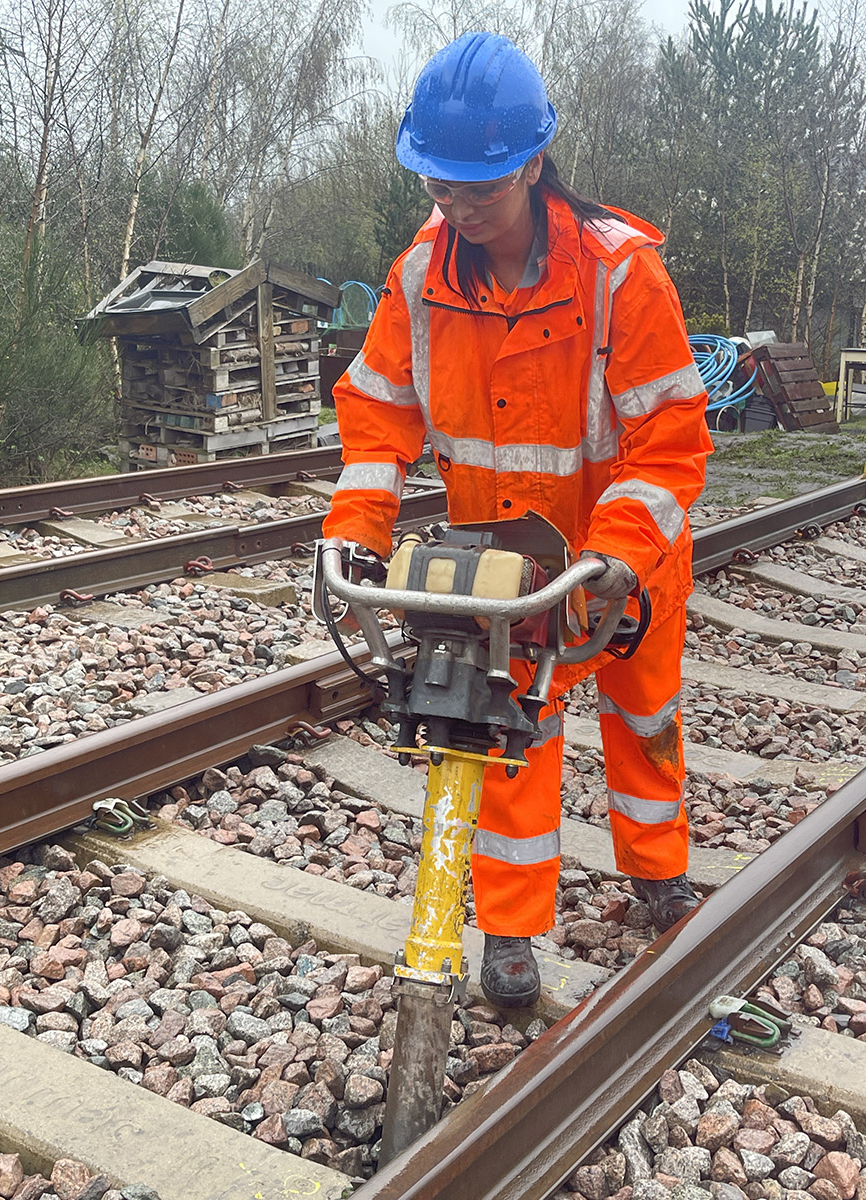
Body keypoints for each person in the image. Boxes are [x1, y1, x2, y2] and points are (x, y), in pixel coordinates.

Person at [322, 31, 713, 1007]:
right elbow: (376, 418)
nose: (454, 207)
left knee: (644, 715)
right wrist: (357, 529)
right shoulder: (421, 278)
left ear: (533, 164)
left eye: (476, 188)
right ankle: (508, 927)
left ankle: (657, 867)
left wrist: (619, 556)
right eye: (437, 186)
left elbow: (669, 437)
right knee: (506, 734)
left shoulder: (620, 273)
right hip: (503, 557)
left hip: (622, 557)